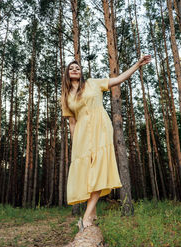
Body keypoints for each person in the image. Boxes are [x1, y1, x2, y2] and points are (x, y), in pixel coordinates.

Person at [61, 55, 151, 229]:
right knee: (86, 173)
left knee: (98, 168)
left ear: (81, 73)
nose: (74, 69)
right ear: (67, 72)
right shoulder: (65, 96)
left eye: (77, 68)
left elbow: (118, 79)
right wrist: (75, 144)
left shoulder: (93, 83)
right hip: (81, 136)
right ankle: (93, 212)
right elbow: (72, 123)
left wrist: (137, 64)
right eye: (71, 68)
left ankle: (87, 216)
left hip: (100, 129)